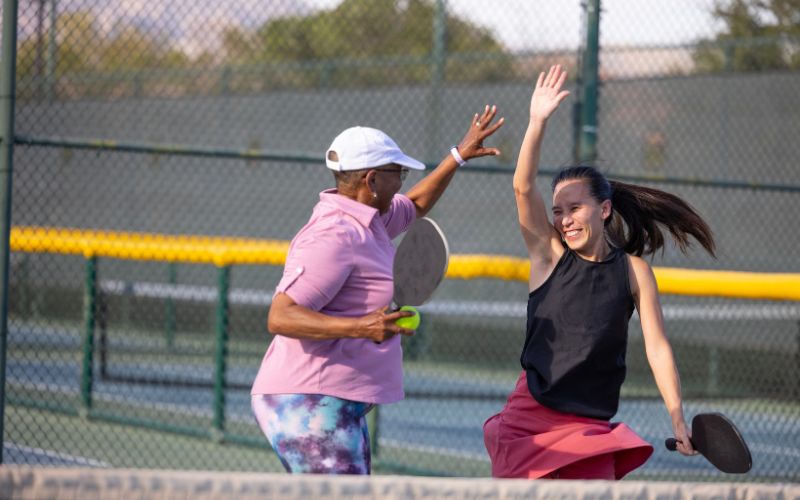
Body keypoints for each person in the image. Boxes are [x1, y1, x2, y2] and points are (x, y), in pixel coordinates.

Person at [483, 65, 715, 480]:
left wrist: (678, 417)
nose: (564, 220)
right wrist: (536, 121)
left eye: (574, 209)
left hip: (590, 426)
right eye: (557, 212)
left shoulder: (634, 271)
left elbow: (658, 348)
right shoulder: (548, 255)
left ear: (604, 210)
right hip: (531, 421)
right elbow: (522, 188)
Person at [252, 107, 504, 474]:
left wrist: (458, 155)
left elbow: (416, 204)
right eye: (397, 173)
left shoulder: (373, 220)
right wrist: (361, 327)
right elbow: (281, 315)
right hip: (308, 400)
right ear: (371, 180)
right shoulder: (334, 234)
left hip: (335, 401)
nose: (401, 181)